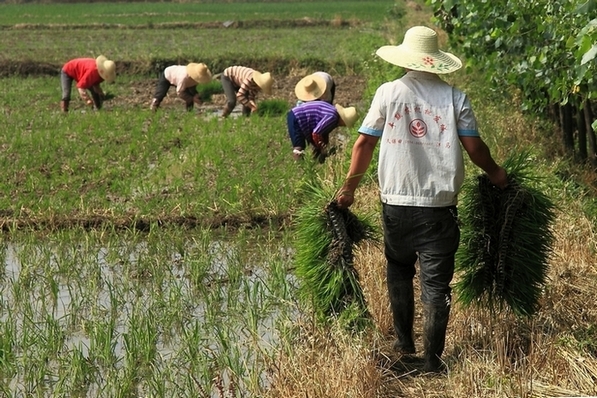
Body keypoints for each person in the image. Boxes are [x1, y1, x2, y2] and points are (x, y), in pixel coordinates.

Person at [335, 26, 508, 373]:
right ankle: (432, 360)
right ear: (436, 63)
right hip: (439, 207)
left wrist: (349, 188)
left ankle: (403, 341)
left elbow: (363, 144)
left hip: (396, 203)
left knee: (398, 269)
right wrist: (497, 174)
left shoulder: (388, 93)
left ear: (407, 58)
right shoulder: (454, 98)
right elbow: (474, 148)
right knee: (436, 283)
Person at [286, 101, 357, 162]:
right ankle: (300, 169)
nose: (344, 126)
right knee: (299, 147)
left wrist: (323, 145)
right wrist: (322, 148)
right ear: (343, 120)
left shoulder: (333, 114)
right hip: (297, 117)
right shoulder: (332, 117)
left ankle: (314, 163)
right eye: (345, 124)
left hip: (298, 115)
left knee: (321, 144)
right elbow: (316, 133)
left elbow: (323, 132)